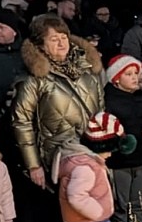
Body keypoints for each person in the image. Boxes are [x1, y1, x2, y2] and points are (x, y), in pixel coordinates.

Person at [12, 15, 106, 192]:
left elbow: (100, 111)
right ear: (40, 45)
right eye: (54, 39)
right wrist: (33, 165)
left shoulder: (87, 69)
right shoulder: (33, 79)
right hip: (56, 156)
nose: (62, 43)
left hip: (90, 149)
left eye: (64, 38)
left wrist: (103, 146)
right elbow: (21, 122)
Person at [54, 112, 133, 222]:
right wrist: (98, 213)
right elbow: (76, 196)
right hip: (91, 221)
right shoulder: (85, 167)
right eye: (110, 150)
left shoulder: (83, 159)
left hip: (86, 219)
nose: (110, 155)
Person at [102, 56, 142, 222]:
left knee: (139, 204)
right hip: (120, 163)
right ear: (116, 78)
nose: (135, 78)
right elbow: (109, 129)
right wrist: (139, 132)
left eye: (136, 73)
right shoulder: (108, 100)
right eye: (128, 74)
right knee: (121, 205)